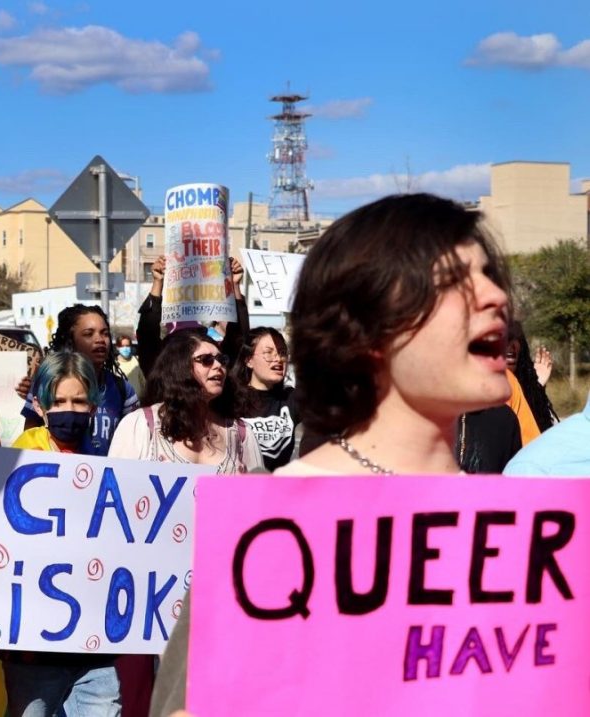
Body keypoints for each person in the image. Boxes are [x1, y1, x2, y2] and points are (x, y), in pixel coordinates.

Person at [149, 193, 514, 717]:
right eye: (457, 282)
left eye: (492, 275)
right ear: (365, 332)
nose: (495, 296)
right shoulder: (268, 528)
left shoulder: (529, 534)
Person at [0, 351, 120, 716]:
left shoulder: (112, 469)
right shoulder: (16, 463)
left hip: (96, 649)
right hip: (32, 650)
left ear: (95, 406)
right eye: (60, 401)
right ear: (40, 405)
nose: (71, 409)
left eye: (80, 401)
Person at [110, 330, 263, 473]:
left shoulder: (242, 434)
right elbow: (116, 488)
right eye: (206, 360)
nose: (218, 366)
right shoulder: (141, 425)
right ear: (179, 368)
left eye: (222, 360)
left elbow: (261, 496)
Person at [20, 304, 139, 456]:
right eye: (89, 334)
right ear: (70, 340)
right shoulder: (47, 381)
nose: (99, 340)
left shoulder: (123, 389)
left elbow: (134, 442)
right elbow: (30, 436)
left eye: (104, 333)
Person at [135, 256, 249, 380]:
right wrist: (157, 282)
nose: (217, 365)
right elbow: (147, 336)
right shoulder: (160, 372)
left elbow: (238, 338)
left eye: (220, 358)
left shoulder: (221, 389)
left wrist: (234, 285)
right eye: (206, 360)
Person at [237, 327, 299, 471]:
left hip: (278, 490)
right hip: (240, 488)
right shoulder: (232, 399)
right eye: (268, 353)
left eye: (282, 353)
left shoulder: (290, 398)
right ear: (249, 361)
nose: (278, 359)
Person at [505, 320, 558, 432]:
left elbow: (537, 439)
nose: (512, 345)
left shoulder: (527, 388)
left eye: (516, 339)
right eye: (506, 339)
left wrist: (536, 389)